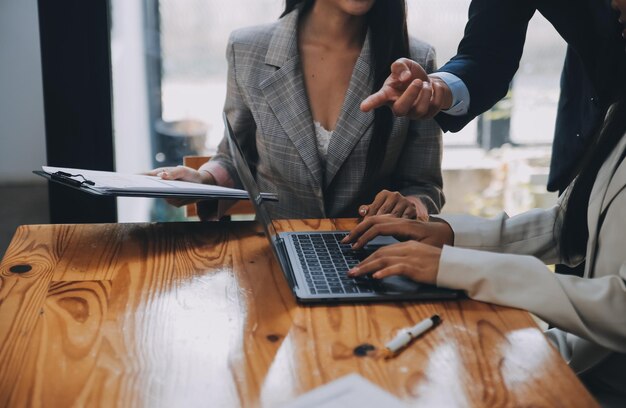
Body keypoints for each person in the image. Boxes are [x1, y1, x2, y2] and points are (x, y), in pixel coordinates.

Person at [343, 3, 626, 403]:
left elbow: (615, 310)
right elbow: (570, 229)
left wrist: (455, 266)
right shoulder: (617, 113)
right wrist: (446, 235)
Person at [149, 0, 444, 220]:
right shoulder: (248, 49)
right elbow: (235, 159)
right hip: (272, 260)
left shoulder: (415, 61)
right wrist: (204, 181)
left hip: (374, 262)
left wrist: (410, 207)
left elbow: (424, 185)